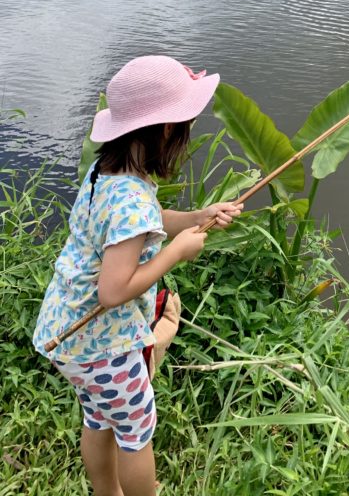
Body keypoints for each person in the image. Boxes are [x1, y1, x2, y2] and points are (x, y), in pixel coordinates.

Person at [33, 55, 242, 496]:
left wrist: (196, 217)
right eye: (184, 127)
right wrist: (175, 255)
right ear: (167, 130)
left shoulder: (108, 173)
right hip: (103, 344)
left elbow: (141, 223)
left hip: (68, 333)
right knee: (135, 432)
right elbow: (113, 291)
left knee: (99, 417)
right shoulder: (131, 197)